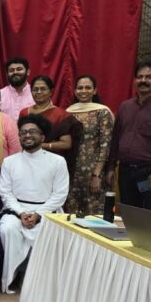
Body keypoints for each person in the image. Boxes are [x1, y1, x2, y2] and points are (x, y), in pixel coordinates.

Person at [0, 115, 69, 293]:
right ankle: (13, 276)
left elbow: (60, 194)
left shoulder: (58, 161)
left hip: (48, 211)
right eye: (23, 132)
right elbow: (6, 193)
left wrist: (38, 214)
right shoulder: (9, 161)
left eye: (32, 132)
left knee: (50, 231)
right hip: (15, 210)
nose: (27, 135)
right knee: (8, 229)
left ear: (43, 137)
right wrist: (21, 213)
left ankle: (38, 279)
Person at [103, 60, 151, 213]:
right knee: (130, 216)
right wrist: (111, 167)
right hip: (126, 172)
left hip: (150, 173)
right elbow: (116, 138)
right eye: (140, 77)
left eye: (149, 77)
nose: (143, 81)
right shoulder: (126, 107)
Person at [65, 76, 114, 216]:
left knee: (94, 215)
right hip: (72, 173)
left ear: (95, 91)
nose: (83, 91)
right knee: (72, 214)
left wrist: (96, 175)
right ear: (75, 91)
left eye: (88, 87)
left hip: (94, 173)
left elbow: (106, 145)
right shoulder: (68, 113)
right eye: (80, 88)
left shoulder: (102, 112)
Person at [20, 76, 80, 169]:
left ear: (51, 91)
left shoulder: (61, 115)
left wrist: (39, 145)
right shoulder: (24, 112)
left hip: (51, 163)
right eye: (35, 89)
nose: (39, 92)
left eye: (43, 89)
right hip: (27, 161)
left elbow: (66, 144)